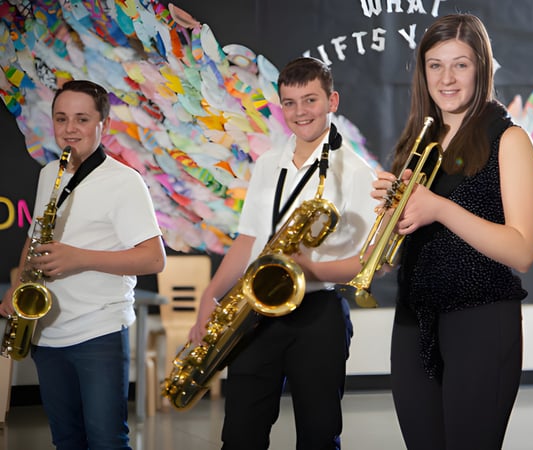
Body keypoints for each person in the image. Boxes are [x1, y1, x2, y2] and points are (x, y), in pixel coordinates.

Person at [370, 14, 533, 450]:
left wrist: (440, 208)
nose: (446, 78)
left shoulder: (510, 140)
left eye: (460, 65)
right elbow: (394, 257)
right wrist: (391, 223)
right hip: (414, 321)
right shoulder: (418, 142)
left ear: (481, 68)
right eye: (435, 65)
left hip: (481, 319)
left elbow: (522, 251)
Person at [188, 57, 376, 450]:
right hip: (256, 312)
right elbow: (248, 240)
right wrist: (210, 296)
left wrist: (311, 270)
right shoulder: (267, 164)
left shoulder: (357, 172)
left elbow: (371, 262)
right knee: (240, 435)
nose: (300, 112)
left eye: (310, 100)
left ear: (332, 101)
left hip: (318, 315)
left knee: (319, 435)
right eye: (289, 103)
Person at [0, 79, 166, 449]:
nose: (70, 129)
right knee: (66, 440)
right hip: (47, 331)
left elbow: (154, 258)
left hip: (99, 330)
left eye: (81, 119)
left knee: (107, 440)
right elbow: (34, 235)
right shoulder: (49, 173)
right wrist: (16, 286)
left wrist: (79, 258)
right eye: (61, 119)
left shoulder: (124, 182)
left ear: (101, 124)